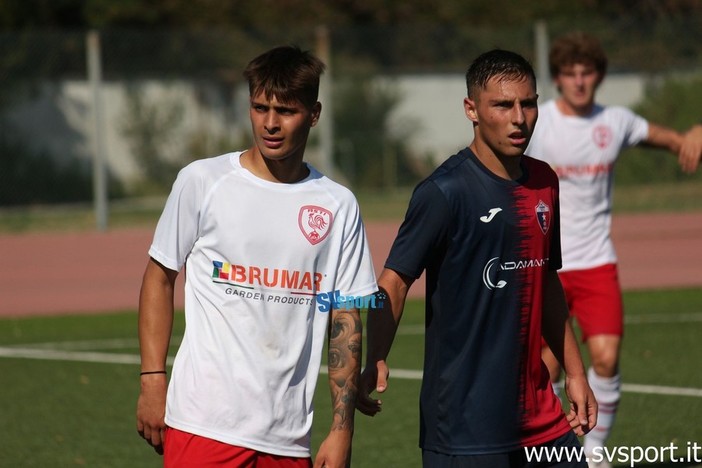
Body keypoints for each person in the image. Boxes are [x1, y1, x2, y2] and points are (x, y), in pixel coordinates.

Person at [136, 45, 377, 467]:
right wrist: (153, 380)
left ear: (314, 113)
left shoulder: (338, 205)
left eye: (285, 110)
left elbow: (346, 316)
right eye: (259, 107)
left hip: (287, 438)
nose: (269, 123)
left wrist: (342, 432)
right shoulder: (202, 181)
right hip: (202, 424)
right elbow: (159, 277)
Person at [357, 49, 597, 467]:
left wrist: (575, 372)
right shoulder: (444, 192)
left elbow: (546, 280)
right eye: (503, 105)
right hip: (464, 426)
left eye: (528, 103)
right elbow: (394, 281)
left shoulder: (545, 181)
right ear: (472, 109)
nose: (518, 118)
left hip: (542, 419)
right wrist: (376, 355)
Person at [526, 32, 702, 467]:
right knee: (545, 369)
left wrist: (691, 136)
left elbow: (666, 138)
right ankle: (537, 447)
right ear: (559, 78)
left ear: (598, 77)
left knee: (605, 358)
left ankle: (594, 451)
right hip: (549, 265)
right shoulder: (538, 122)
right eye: (570, 74)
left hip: (598, 261)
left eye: (587, 73)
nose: (579, 81)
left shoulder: (616, 121)